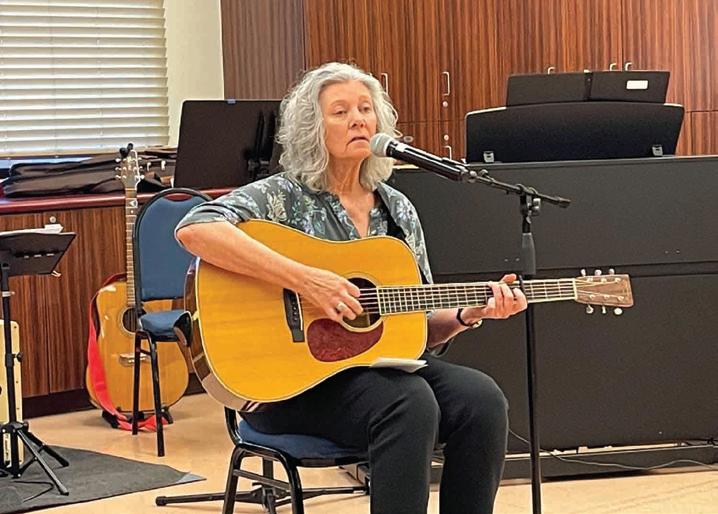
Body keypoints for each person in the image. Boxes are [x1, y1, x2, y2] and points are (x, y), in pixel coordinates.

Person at [175, 61, 527, 514]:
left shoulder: (397, 210)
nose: (358, 119)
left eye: (365, 109)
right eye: (340, 112)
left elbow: (417, 328)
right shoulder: (282, 196)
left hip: (373, 373)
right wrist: (305, 279)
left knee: (482, 399)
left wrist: (466, 315)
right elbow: (196, 228)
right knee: (409, 402)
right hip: (290, 385)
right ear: (312, 128)